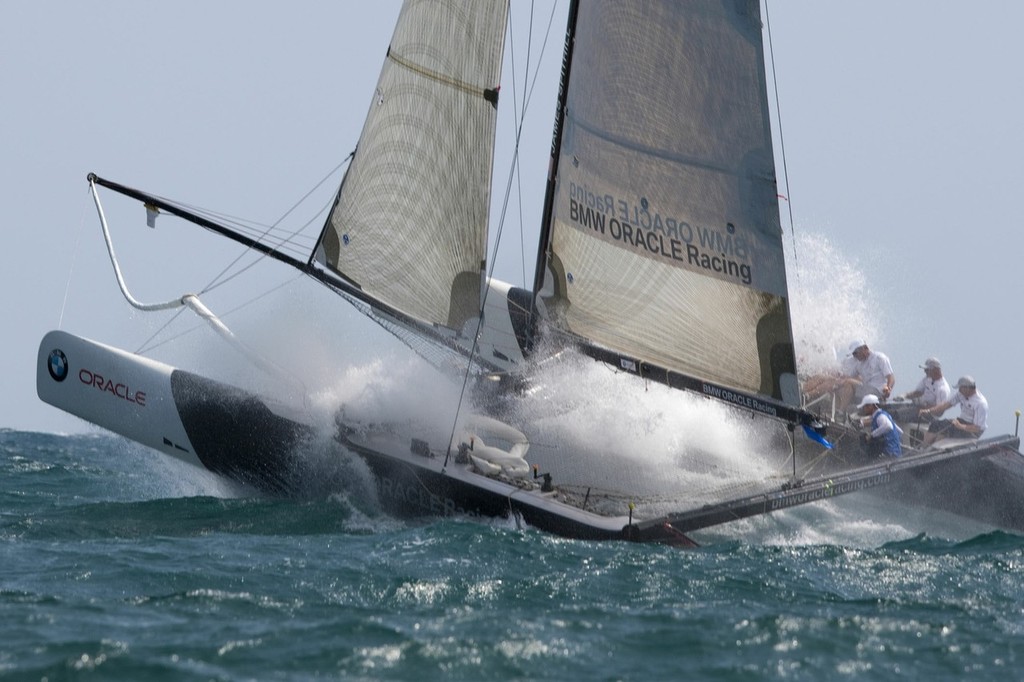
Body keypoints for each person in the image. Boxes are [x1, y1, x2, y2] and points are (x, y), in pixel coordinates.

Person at [919, 376, 988, 446]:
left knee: (947, 432)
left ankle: (932, 450)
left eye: (960, 388)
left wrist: (960, 426)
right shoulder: (961, 394)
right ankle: (922, 448)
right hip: (960, 422)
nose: (959, 390)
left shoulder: (980, 403)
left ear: (967, 388)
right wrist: (929, 411)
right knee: (935, 425)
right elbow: (947, 405)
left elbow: (977, 428)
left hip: (973, 431)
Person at [836, 340, 895, 410]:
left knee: (848, 382)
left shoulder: (880, 358)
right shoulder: (859, 364)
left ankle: (841, 410)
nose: (854, 356)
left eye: (855, 353)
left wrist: (888, 389)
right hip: (866, 391)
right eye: (853, 354)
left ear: (864, 349)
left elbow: (891, 377)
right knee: (842, 384)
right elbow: (848, 376)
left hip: (878, 391)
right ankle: (839, 408)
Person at [890, 357, 952, 423]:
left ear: (935, 370)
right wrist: (904, 395)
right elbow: (918, 392)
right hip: (916, 407)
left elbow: (939, 412)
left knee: (894, 414)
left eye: (927, 369)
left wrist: (924, 405)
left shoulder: (943, 389)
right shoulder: (927, 379)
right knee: (888, 408)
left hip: (927, 415)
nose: (925, 371)